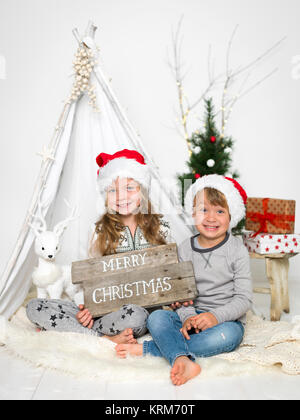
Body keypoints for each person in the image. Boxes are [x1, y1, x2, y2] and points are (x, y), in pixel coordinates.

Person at [115, 174, 253, 385]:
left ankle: (150, 349)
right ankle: (183, 359)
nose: (211, 218)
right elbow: (180, 295)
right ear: (193, 214)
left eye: (219, 211)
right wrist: (188, 317)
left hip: (225, 320)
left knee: (229, 337)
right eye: (203, 210)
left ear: (231, 216)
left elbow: (243, 299)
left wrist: (214, 317)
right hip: (191, 317)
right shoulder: (185, 249)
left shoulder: (237, 250)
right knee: (157, 318)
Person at [26, 149, 171, 345]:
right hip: (104, 308)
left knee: (136, 316)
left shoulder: (161, 227)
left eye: (129, 188)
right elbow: (91, 278)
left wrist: (175, 299)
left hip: (138, 311)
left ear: (142, 191)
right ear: (106, 196)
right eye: (113, 190)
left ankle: (79, 332)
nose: (121, 196)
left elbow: (168, 274)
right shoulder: (99, 230)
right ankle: (104, 337)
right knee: (35, 306)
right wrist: (87, 307)